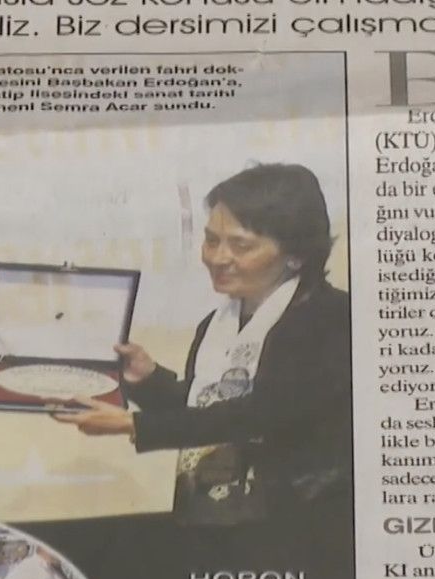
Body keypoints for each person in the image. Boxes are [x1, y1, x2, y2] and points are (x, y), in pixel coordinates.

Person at [53, 163, 351, 551]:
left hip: (299, 527)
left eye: (241, 246)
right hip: (211, 521)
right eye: (211, 241)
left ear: (295, 255)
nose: (218, 257)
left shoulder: (330, 317)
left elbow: (259, 414)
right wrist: (149, 380)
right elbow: (206, 404)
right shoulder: (217, 321)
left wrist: (136, 426)